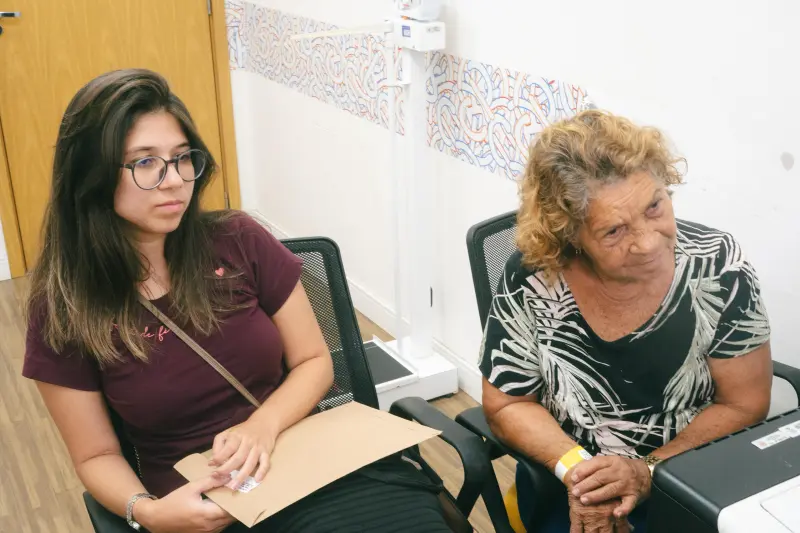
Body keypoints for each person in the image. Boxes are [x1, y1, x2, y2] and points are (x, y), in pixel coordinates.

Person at [23, 69, 450, 533]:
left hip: (310, 460)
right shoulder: (64, 308)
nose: (174, 180)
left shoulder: (237, 240)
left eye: (182, 158)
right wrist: (148, 512)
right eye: (145, 163)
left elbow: (313, 361)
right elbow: (95, 454)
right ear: (91, 175)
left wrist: (262, 426)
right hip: (207, 505)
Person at [479, 110, 772, 533]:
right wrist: (584, 478)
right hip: (571, 477)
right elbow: (508, 404)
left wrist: (647, 471)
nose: (649, 243)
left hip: (691, 472)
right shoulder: (535, 277)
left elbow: (744, 403)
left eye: (655, 206)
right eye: (614, 231)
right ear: (571, 235)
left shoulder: (719, 266)